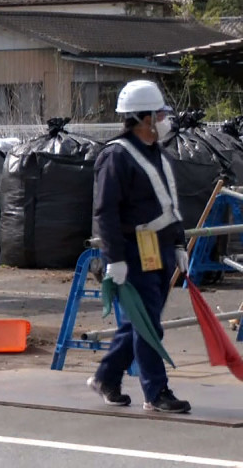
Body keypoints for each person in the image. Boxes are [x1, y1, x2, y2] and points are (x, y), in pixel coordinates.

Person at [88, 80, 192, 414]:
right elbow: (105, 211)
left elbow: (169, 203)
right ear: (143, 118)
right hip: (133, 251)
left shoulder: (156, 154)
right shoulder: (116, 156)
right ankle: (156, 391)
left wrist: (179, 243)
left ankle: (107, 376)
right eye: (160, 113)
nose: (165, 119)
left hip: (159, 247)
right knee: (148, 322)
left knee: (140, 321)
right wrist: (114, 259)